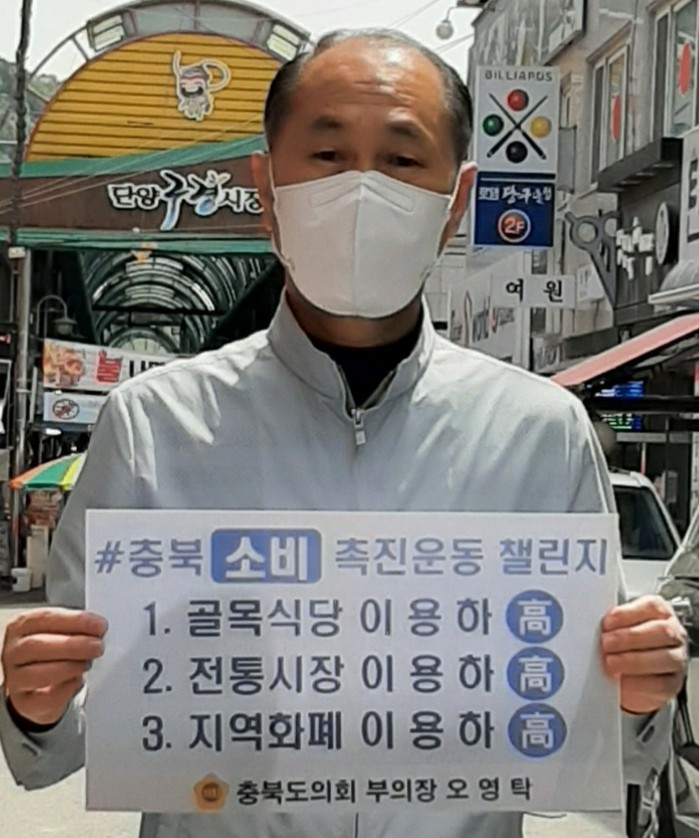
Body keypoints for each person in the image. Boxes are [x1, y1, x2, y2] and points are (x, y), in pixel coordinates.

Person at [0, 28, 687, 838]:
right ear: (266, 187)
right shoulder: (155, 424)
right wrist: (36, 702)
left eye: (400, 160)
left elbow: (583, 740)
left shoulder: (539, 431)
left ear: (455, 200)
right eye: (327, 156)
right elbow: (71, 732)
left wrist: (634, 697)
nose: (362, 190)